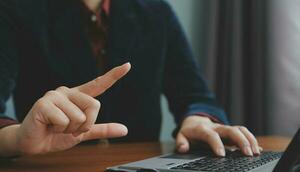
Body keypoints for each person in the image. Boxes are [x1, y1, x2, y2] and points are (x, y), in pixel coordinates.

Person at [0, 0, 261, 158]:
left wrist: (198, 119)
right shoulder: (15, 10)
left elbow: (195, 95)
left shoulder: (156, 11)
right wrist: (18, 138)